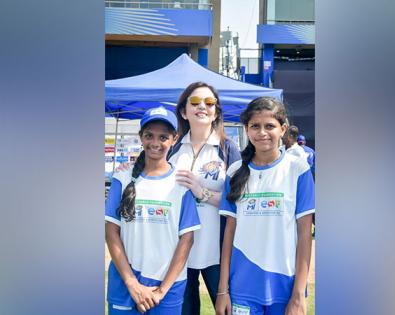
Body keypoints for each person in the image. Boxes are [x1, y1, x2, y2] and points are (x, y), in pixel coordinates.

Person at [215, 97, 315, 315]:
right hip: (242, 287)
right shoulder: (234, 172)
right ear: (246, 129)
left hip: (285, 288)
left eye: (270, 126)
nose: (262, 133)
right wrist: (222, 291)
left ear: (283, 129)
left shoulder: (298, 170)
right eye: (255, 126)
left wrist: (298, 294)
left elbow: (305, 234)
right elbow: (228, 235)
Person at [105, 107, 201, 315]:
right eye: (149, 136)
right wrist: (132, 283)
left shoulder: (182, 183)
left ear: (174, 139)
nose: (155, 143)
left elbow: (187, 239)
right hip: (125, 283)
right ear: (141, 137)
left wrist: (162, 290)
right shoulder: (122, 179)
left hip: (167, 287)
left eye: (163, 137)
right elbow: (111, 232)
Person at [169, 81, 241, 314]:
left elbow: (240, 202)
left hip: (218, 248)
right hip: (179, 248)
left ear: (216, 112)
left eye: (209, 102)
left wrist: (203, 193)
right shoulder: (172, 148)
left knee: (226, 309)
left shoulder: (228, 149)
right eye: (195, 102)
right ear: (183, 111)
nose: (203, 107)